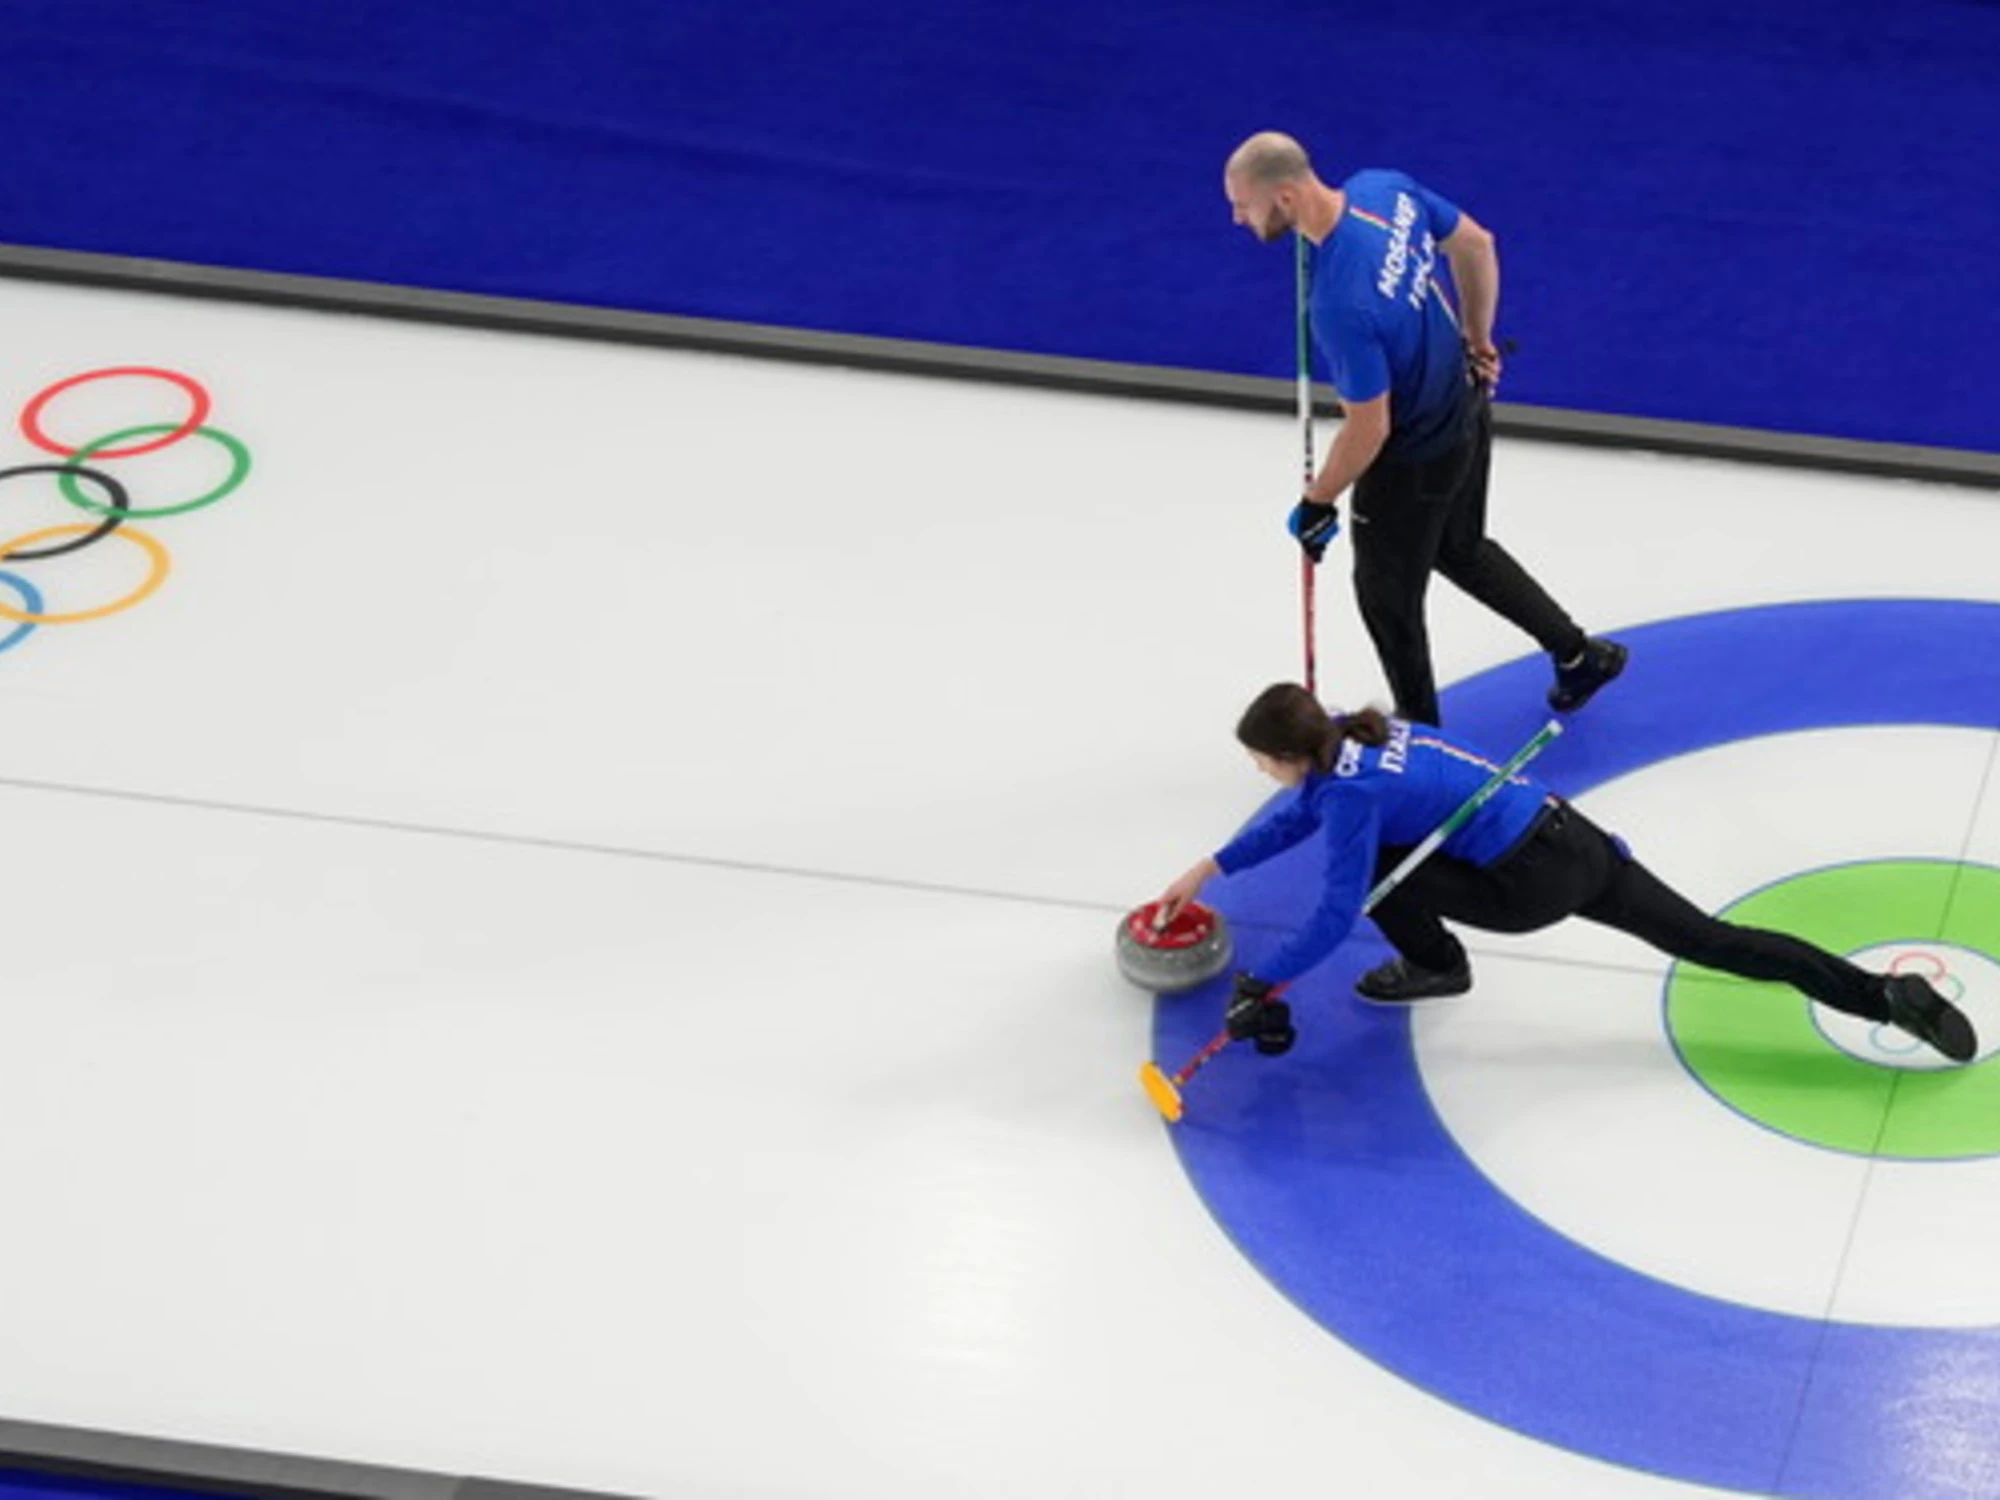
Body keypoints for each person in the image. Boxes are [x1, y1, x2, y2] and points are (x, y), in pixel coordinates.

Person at [1154, 683, 1978, 1064]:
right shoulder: (1357, 733)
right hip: (1577, 842)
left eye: (1262, 762)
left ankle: (1438, 966)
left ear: (1292, 754)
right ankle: (1883, 996)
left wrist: (1261, 978)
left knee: (1374, 873)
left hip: (1524, 889)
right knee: (1715, 940)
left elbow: (1336, 912)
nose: (1261, 774)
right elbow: (1305, 809)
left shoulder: (1350, 797)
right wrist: (1213, 864)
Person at [1223, 130, 1625, 726]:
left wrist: (1318, 501)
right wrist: (1479, 340)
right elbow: (1476, 244)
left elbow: (1370, 429)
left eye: (1243, 205)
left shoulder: (1339, 304)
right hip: (1465, 406)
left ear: (1283, 198)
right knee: (1461, 549)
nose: (1237, 218)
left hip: (1413, 458)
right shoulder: (1384, 191)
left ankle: (1421, 739)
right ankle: (1579, 655)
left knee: (1388, 602)